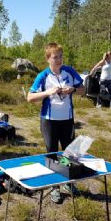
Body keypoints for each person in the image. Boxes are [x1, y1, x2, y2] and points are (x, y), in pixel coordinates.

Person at [27, 42, 85, 204]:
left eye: (60, 56)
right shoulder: (43, 76)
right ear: (48, 59)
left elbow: (83, 90)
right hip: (49, 121)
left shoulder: (69, 71)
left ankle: (68, 182)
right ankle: (54, 187)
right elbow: (30, 98)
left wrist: (72, 90)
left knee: (69, 153)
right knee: (52, 153)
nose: (58, 60)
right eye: (55, 57)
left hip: (67, 120)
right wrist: (47, 92)